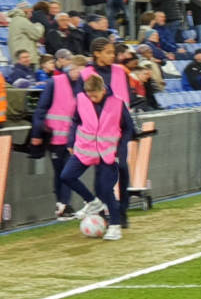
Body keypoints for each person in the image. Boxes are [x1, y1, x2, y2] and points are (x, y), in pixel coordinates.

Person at [60, 73, 133, 241]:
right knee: (66, 176)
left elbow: (128, 129)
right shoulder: (82, 99)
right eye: (89, 95)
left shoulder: (117, 103)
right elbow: (76, 121)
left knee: (106, 189)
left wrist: (121, 151)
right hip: (85, 149)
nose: (92, 99)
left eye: (95, 96)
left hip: (108, 153)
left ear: (103, 90)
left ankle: (115, 226)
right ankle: (92, 202)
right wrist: (71, 141)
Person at [30, 53, 85, 220]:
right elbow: (41, 109)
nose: (78, 74)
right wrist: (37, 133)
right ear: (71, 67)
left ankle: (63, 205)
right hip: (54, 138)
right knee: (61, 173)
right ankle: (62, 205)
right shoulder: (54, 83)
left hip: (72, 139)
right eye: (77, 70)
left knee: (67, 173)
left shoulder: (82, 86)